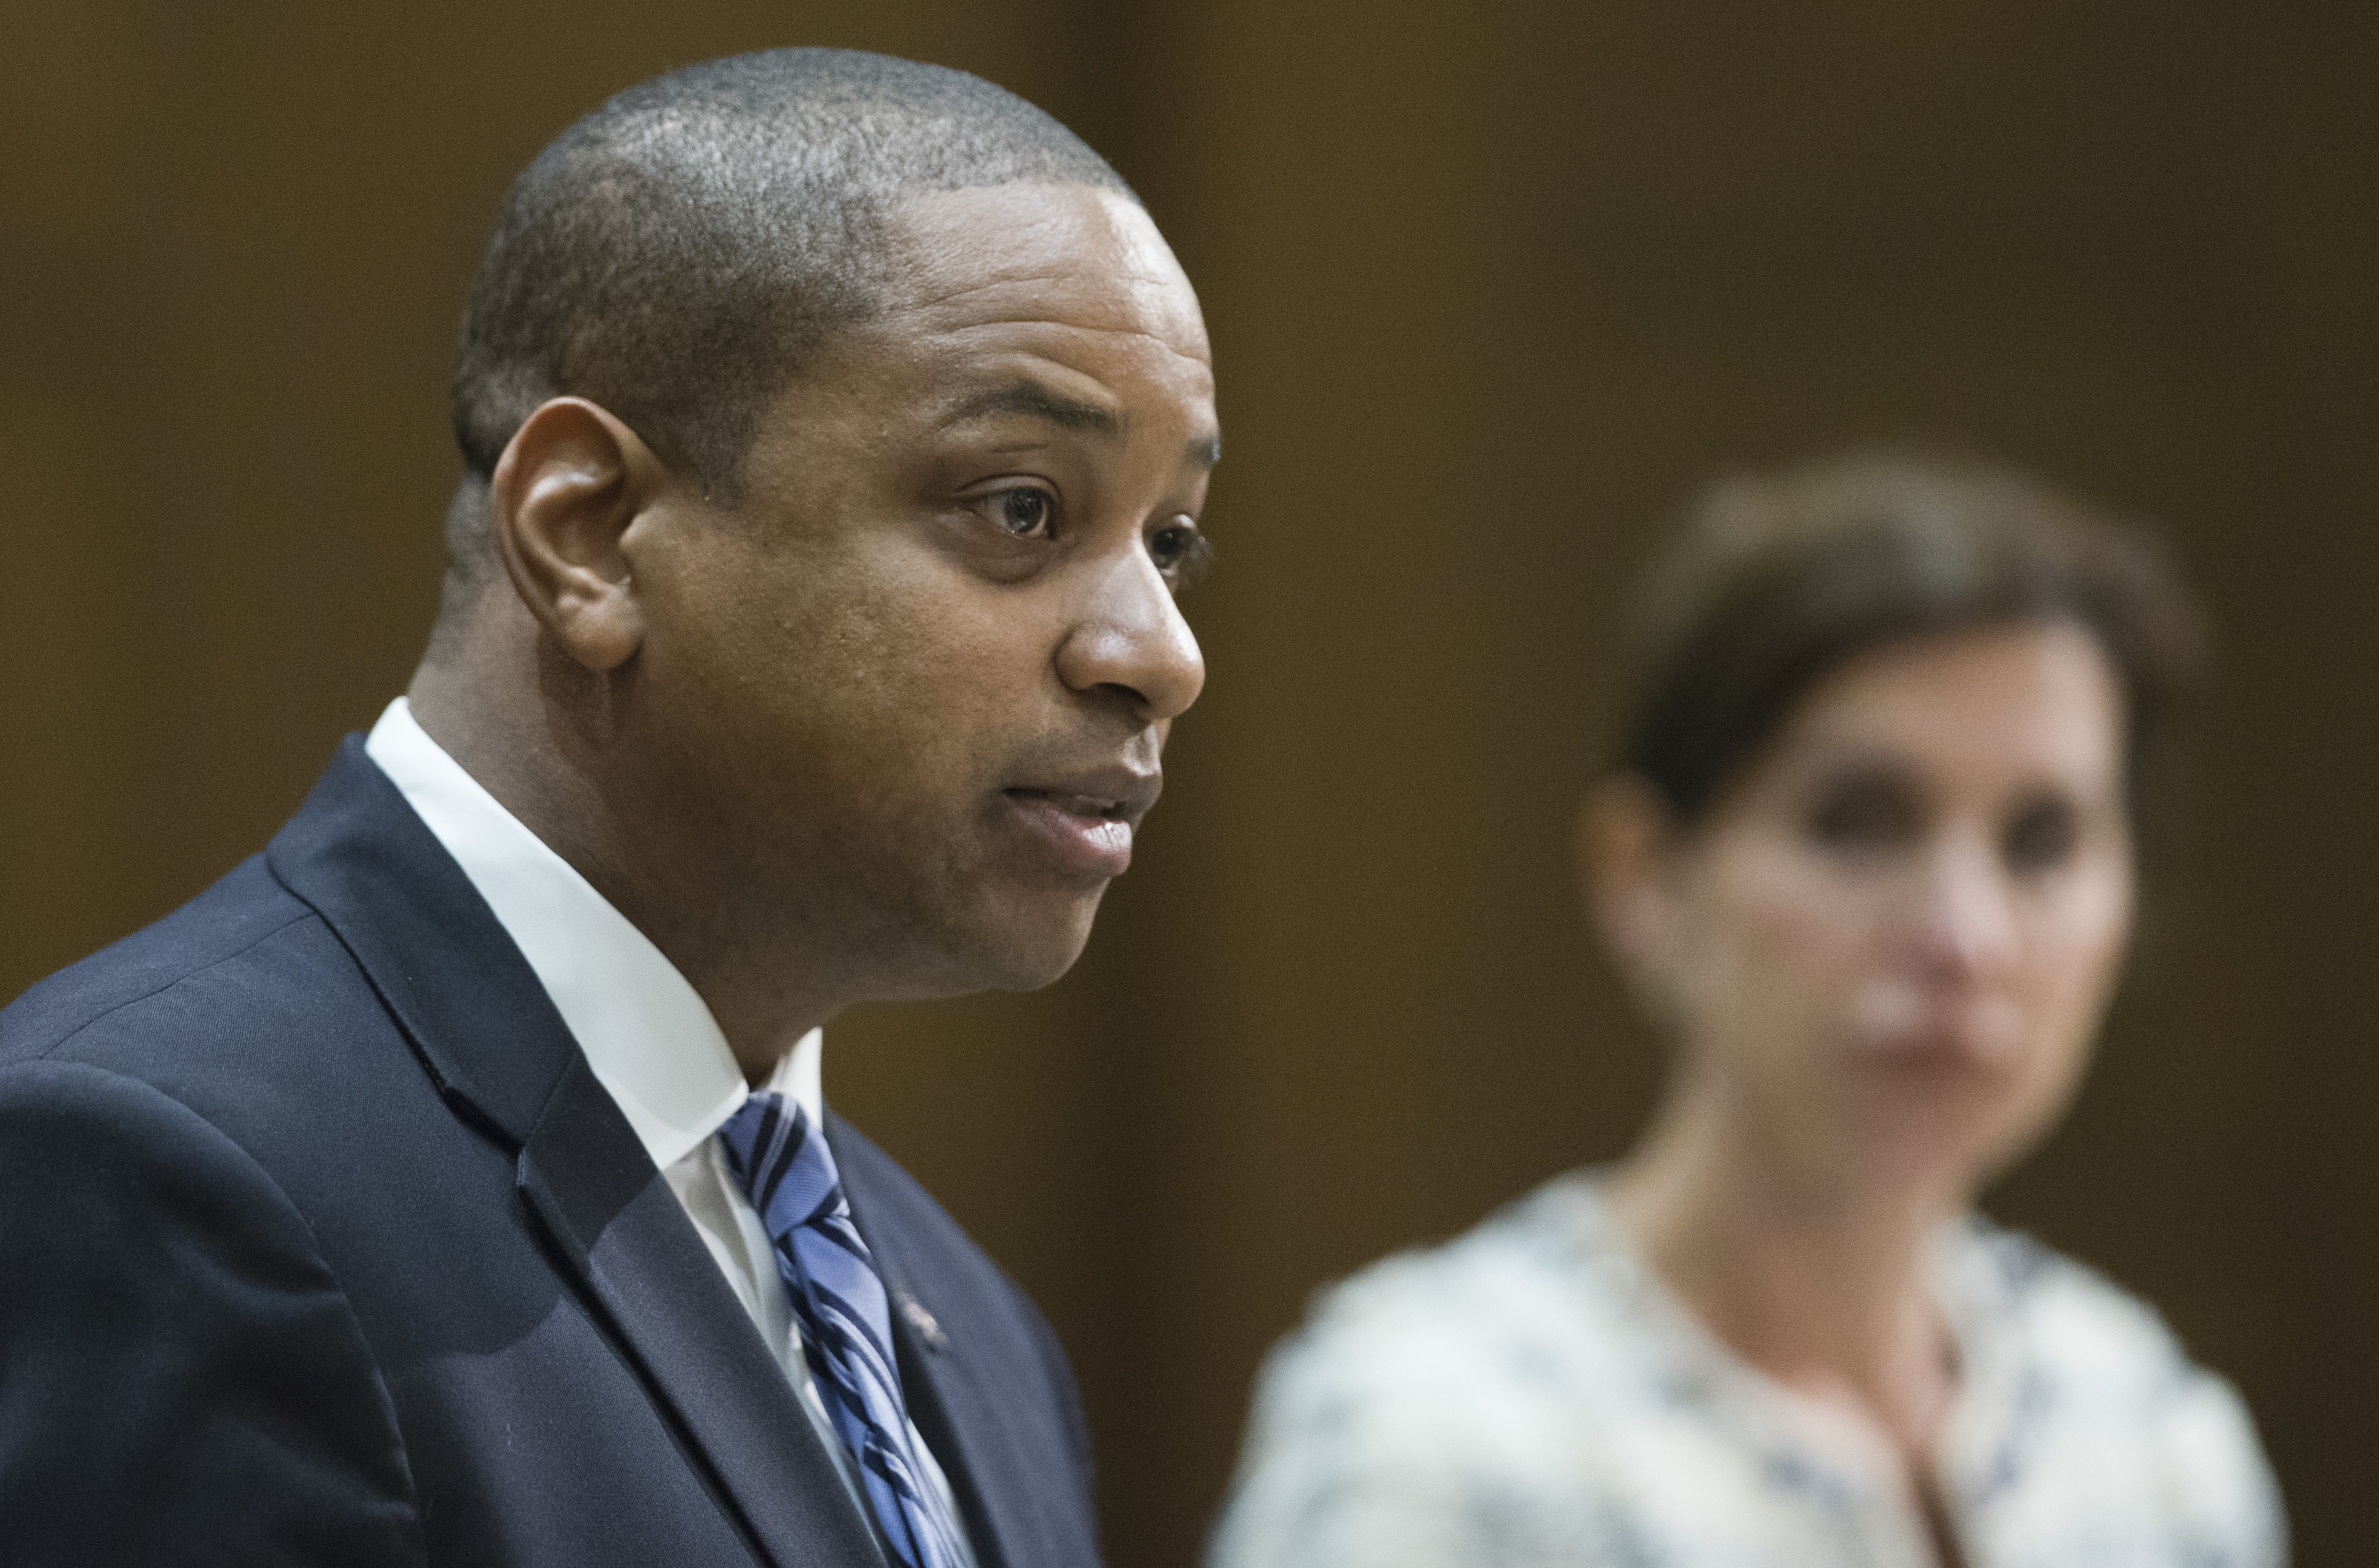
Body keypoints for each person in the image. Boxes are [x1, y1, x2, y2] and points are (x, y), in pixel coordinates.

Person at [0, 48, 1216, 1568]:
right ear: (589, 535)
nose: (1161, 654)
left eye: (1172, 542)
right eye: (1020, 507)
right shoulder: (155, 1180)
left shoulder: (973, 1328)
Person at [1209, 453, 2285, 1568]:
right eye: (1857, 822)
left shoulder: (2151, 1440)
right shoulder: (1434, 1439)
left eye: (2041, 842)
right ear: (1645, 879)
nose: (1965, 937)